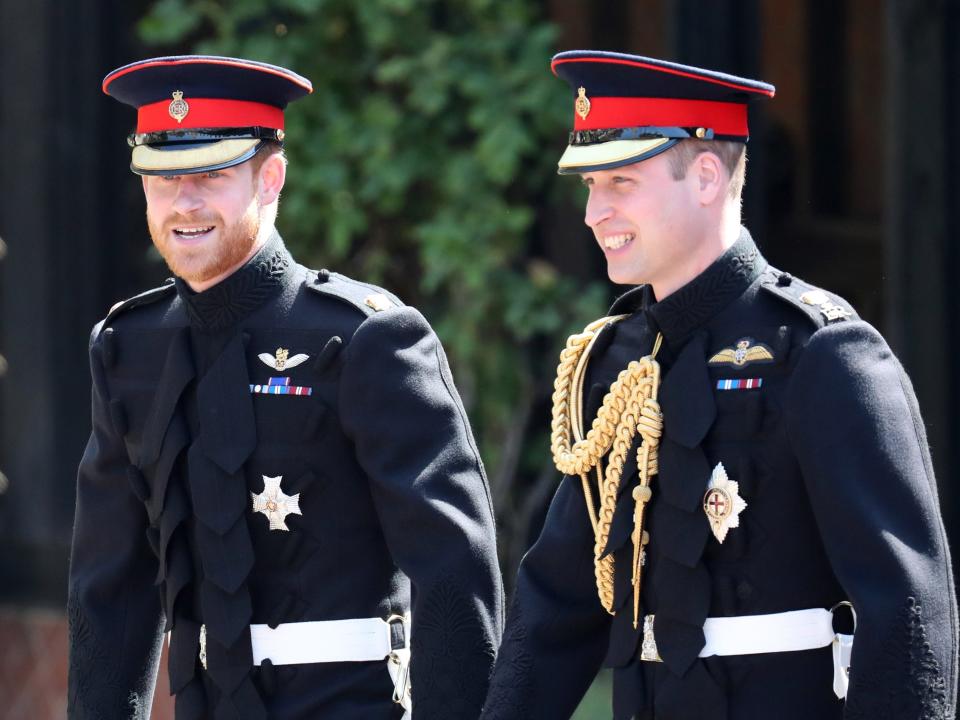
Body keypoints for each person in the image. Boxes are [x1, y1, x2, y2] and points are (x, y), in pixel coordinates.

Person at [480, 50, 957, 720]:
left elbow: (906, 613)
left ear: (705, 176)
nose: (594, 213)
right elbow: (557, 609)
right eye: (589, 187)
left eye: (619, 182)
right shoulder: (616, 361)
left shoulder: (823, 352)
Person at [67, 55, 503, 720]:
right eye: (163, 177)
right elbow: (110, 590)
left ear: (269, 179)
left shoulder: (365, 339)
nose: (184, 203)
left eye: (210, 175)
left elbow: (454, 571)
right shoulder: (128, 347)